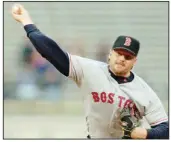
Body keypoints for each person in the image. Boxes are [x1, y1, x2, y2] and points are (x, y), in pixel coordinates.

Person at [11, 4, 169, 139]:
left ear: (134, 62)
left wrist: (142, 133)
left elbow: (165, 129)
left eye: (127, 56)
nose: (121, 58)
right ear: (110, 54)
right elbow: (52, 52)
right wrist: (27, 22)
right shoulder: (89, 70)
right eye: (119, 53)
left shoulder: (143, 91)